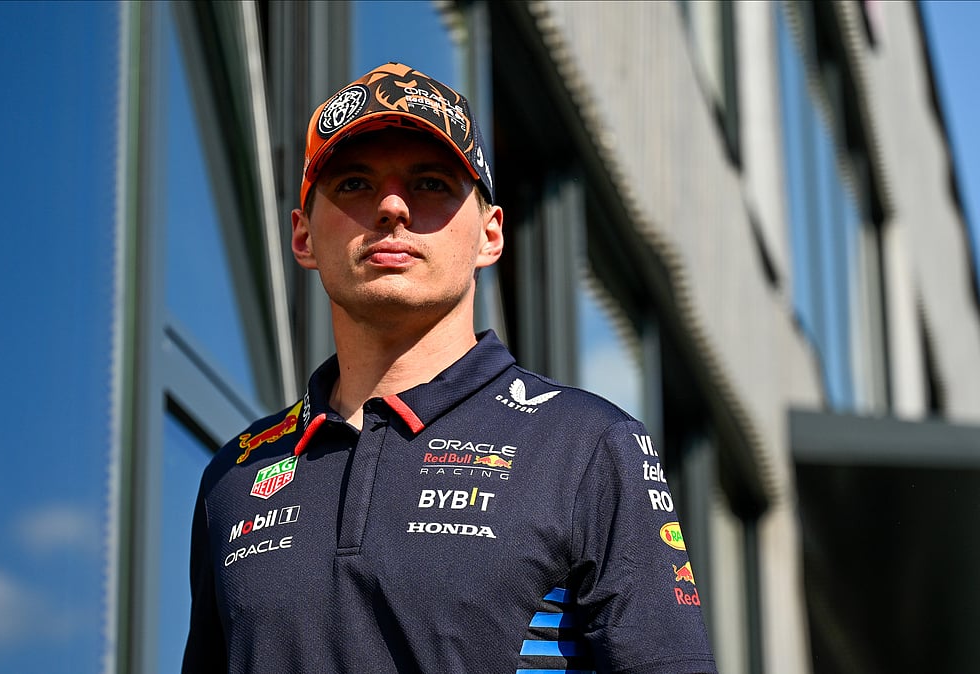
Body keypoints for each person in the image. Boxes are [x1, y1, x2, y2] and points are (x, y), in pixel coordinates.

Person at [183, 62, 717, 674]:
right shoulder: (233, 476)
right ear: (302, 236)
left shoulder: (587, 445)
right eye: (354, 184)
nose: (391, 206)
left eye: (431, 183)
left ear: (490, 235)